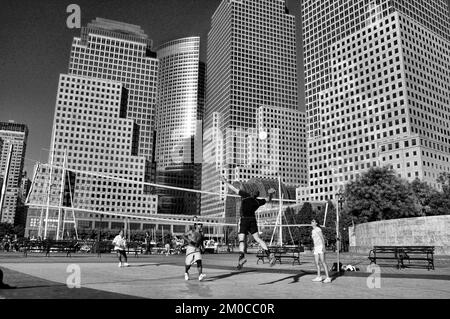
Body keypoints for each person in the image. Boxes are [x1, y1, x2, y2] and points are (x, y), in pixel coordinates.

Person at [220, 175, 276, 270]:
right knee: (257, 238)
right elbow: (268, 199)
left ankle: (242, 257)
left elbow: (234, 188)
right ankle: (269, 254)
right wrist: (270, 194)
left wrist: (225, 182)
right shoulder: (258, 201)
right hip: (253, 220)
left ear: (251, 193)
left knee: (241, 240)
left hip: (244, 219)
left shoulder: (245, 196)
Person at [311, 219, 332, 283]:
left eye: (313, 221)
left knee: (323, 261)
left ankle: (328, 277)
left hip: (320, 246)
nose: (312, 222)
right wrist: (314, 248)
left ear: (316, 223)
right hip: (316, 247)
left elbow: (322, 238)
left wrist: (324, 246)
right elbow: (314, 240)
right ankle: (319, 277)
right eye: (311, 221)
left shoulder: (318, 229)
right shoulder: (313, 230)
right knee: (317, 262)